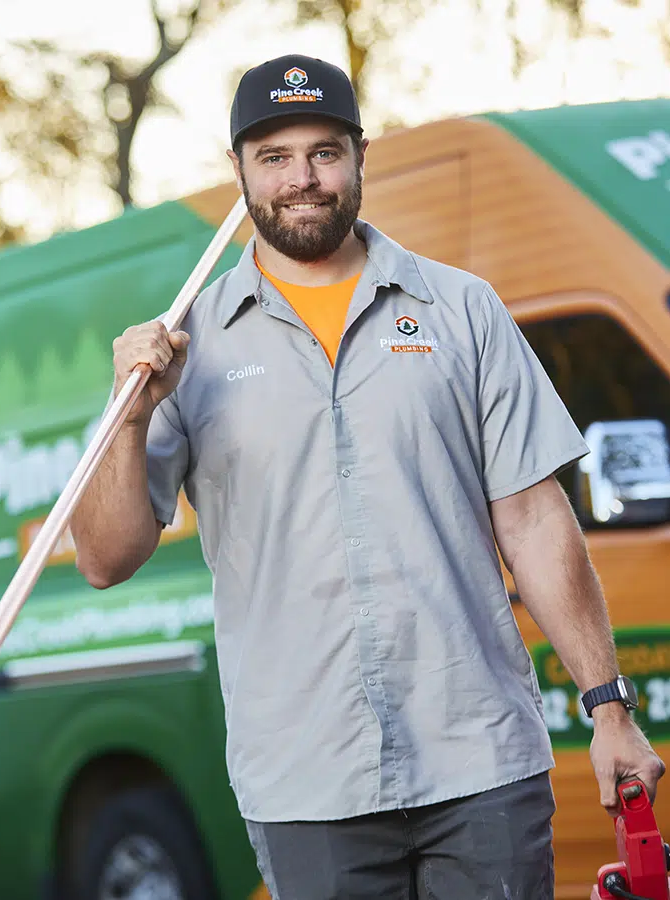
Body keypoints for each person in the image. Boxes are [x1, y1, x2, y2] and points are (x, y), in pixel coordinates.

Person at [70, 54, 665, 899]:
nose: (302, 179)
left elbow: (534, 523)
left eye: (323, 152)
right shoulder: (181, 347)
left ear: (358, 158)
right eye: (273, 157)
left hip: (480, 759)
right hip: (304, 779)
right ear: (235, 170)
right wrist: (129, 417)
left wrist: (608, 710)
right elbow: (104, 557)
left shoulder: (461, 311)